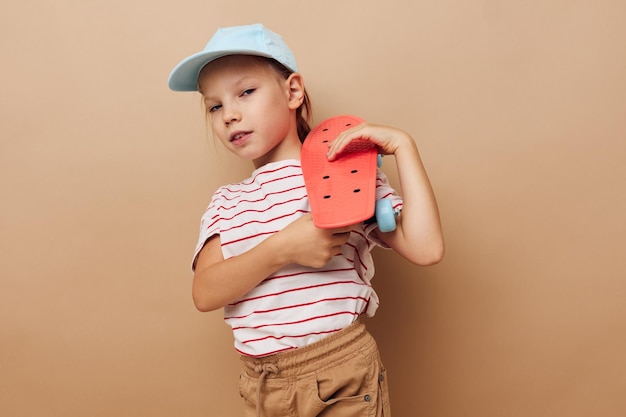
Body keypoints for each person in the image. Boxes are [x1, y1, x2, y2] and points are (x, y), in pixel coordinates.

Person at [168, 23, 444, 417]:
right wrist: (283, 247)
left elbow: (427, 248)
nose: (229, 114)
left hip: (340, 374)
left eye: (245, 92)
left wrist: (404, 147)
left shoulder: (347, 174)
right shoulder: (226, 203)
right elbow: (205, 292)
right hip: (263, 383)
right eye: (215, 106)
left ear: (292, 91)